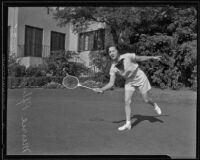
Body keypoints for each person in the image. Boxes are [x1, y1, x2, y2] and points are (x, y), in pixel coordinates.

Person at [93, 45, 162, 131]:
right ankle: (128, 124)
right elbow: (111, 83)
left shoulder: (127, 56)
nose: (111, 53)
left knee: (146, 100)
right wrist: (101, 89)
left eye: (113, 51)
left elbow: (140, 58)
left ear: (117, 51)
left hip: (139, 76)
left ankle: (155, 105)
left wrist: (152, 57)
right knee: (127, 102)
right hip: (129, 81)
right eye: (110, 52)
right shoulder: (113, 68)